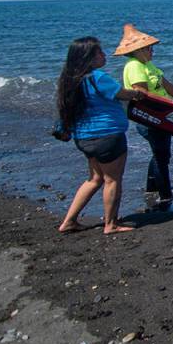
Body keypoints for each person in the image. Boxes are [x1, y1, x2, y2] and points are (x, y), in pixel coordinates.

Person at [55, 37, 144, 234]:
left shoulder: (70, 80)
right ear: (89, 58)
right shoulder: (98, 77)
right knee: (113, 179)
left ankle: (69, 221)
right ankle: (110, 224)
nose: (104, 55)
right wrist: (138, 93)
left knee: (94, 179)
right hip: (107, 135)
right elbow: (123, 94)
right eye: (100, 53)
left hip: (84, 137)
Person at [116, 23, 173, 206]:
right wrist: (171, 104)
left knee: (160, 153)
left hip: (163, 113)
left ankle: (151, 187)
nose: (152, 51)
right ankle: (165, 194)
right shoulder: (134, 66)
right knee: (161, 156)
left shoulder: (147, 64)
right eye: (149, 48)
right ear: (139, 50)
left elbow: (165, 83)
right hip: (151, 116)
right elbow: (143, 92)